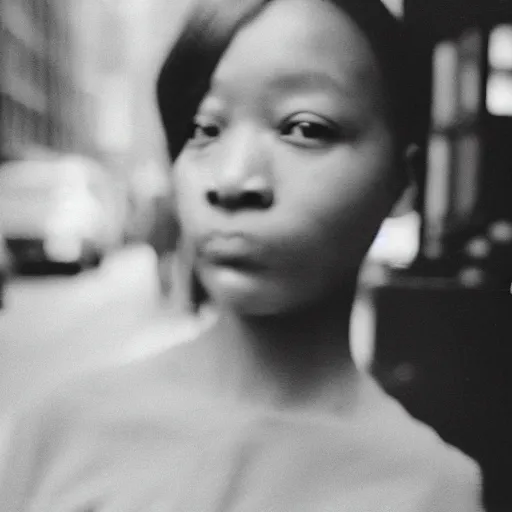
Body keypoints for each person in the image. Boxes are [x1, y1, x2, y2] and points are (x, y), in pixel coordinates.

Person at [0, 0, 485, 510]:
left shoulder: (433, 490)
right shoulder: (59, 430)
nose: (232, 180)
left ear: (402, 183)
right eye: (204, 129)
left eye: (306, 128)